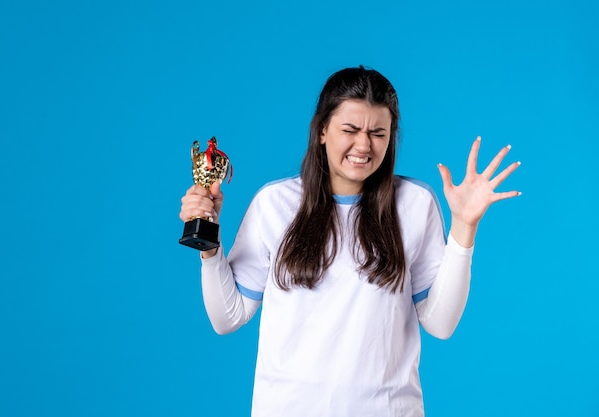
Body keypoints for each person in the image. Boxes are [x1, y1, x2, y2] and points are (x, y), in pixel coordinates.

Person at [179, 66, 520, 417]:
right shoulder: (274, 203)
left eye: (378, 133)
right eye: (350, 130)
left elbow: (441, 324)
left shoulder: (415, 203)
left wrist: (464, 227)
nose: (364, 145)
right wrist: (209, 244)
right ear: (322, 130)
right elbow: (228, 317)